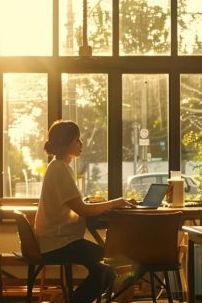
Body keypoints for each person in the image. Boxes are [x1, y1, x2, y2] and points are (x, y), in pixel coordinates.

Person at [34, 119, 134, 303]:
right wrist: (114, 203)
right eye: (77, 140)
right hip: (58, 243)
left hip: (58, 240)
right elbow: (83, 210)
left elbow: (75, 205)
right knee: (108, 264)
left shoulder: (60, 167)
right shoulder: (59, 169)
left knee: (104, 268)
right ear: (65, 143)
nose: (81, 144)